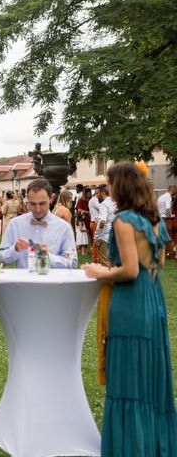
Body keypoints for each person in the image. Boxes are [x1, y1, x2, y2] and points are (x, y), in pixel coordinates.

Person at [82, 162, 177, 457]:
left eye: (110, 183)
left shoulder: (124, 220)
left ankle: (130, 447)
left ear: (120, 186)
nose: (107, 188)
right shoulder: (154, 219)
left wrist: (100, 272)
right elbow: (158, 263)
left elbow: (130, 270)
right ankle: (153, 444)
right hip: (153, 298)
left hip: (131, 301)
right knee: (149, 374)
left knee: (127, 377)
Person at [0, 179, 78, 268]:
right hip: (23, 281)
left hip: (52, 281)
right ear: (27, 199)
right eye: (33, 204)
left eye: (42, 203)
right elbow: (0, 257)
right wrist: (14, 249)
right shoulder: (15, 224)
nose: (37, 209)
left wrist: (48, 257)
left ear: (51, 198)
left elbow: (73, 263)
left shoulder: (63, 227)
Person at [94, 187, 118, 266]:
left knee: (106, 264)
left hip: (106, 237)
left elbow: (102, 222)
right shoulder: (116, 202)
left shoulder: (104, 204)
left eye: (98, 193)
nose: (97, 196)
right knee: (115, 265)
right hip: (117, 236)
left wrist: (97, 237)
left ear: (103, 193)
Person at [157, 185, 176, 258]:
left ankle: (163, 253)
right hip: (165, 218)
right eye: (175, 191)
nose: (175, 193)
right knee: (169, 236)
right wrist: (170, 217)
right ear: (173, 190)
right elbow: (168, 208)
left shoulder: (161, 196)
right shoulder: (168, 197)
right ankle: (172, 254)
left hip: (160, 217)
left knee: (161, 237)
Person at [89, 185, 106, 262]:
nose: (98, 194)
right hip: (95, 222)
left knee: (98, 242)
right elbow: (101, 208)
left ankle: (98, 259)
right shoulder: (94, 200)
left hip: (96, 222)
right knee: (96, 242)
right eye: (97, 193)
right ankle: (95, 259)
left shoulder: (96, 200)